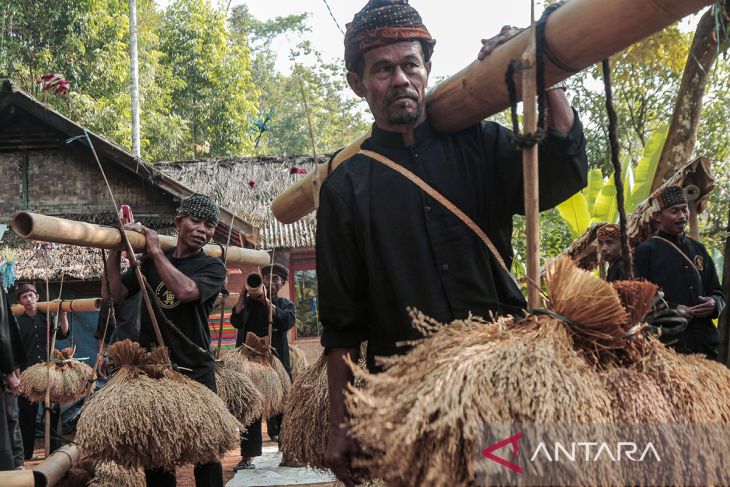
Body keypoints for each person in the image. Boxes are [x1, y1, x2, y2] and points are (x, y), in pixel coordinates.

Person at [315, 1, 588, 484]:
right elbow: (341, 325)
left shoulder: (483, 144)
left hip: (504, 385)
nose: (399, 79)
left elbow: (562, 171)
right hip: (410, 406)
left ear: (427, 69)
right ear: (359, 84)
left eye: (409, 65)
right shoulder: (345, 189)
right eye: (382, 69)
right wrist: (342, 424)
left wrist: (540, 74)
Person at [106, 193, 227, 487]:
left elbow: (186, 292)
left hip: (196, 370)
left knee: (206, 451)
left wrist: (156, 252)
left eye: (209, 225)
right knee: (157, 452)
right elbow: (117, 293)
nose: (202, 229)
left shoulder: (212, 268)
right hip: (155, 370)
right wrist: (113, 248)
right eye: (195, 221)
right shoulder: (147, 264)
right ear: (179, 222)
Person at [634, 185, 725, 360]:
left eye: (684, 210)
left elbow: (717, 291)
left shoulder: (698, 249)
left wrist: (714, 303)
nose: (682, 216)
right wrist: (674, 309)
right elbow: (640, 299)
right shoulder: (646, 252)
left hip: (707, 345)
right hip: (670, 347)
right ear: (657, 216)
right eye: (674, 211)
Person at [230, 263, 296, 470]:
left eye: (277, 278)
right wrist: (242, 295)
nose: (271, 281)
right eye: (267, 276)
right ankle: (248, 456)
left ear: (283, 283)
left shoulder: (285, 304)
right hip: (249, 365)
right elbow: (236, 321)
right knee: (250, 410)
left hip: (277, 366)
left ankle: (289, 454)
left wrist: (266, 302)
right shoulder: (247, 304)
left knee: (284, 408)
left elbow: (286, 322)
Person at [15, 283, 69, 460]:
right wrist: (17, 377)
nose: (28, 299)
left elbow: (63, 333)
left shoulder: (48, 316)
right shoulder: (18, 322)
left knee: (53, 412)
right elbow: (14, 352)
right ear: (20, 302)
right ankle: (26, 455)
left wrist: (62, 312)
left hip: (49, 373)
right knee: (27, 416)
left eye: (31, 295)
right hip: (28, 376)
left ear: (37, 297)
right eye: (24, 297)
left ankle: (55, 453)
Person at [1, 283, 26, 470]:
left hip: (8, 365)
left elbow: (8, 333)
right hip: (5, 367)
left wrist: (14, 369)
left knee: (11, 418)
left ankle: (17, 464)